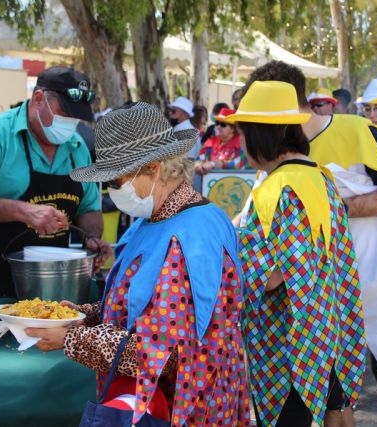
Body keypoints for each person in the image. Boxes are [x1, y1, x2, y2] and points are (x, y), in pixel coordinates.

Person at [27, 102, 250, 426]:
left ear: (153, 168)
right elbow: (139, 308)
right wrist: (82, 316)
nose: (111, 191)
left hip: (184, 410)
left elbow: (161, 353)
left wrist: (71, 339)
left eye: (115, 181)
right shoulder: (153, 220)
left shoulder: (190, 238)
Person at [242, 61, 377, 427]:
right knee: (337, 401)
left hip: (361, 293)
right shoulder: (301, 168)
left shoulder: (349, 134)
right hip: (331, 304)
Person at [230, 80, 365, 427]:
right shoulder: (322, 178)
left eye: (244, 131)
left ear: (261, 134)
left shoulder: (275, 189)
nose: (240, 142)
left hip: (285, 349)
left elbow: (273, 277)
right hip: (325, 334)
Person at [0, 66, 109, 313]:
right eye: (64, 114)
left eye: (76, 118)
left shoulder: (77, 147)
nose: (70, 124)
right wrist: (23, 211)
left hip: (49, 285)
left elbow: (89, 208)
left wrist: (90, 238)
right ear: (39, 98)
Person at [195, 107, 247, 175]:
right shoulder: (211, 142)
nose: (218, 127)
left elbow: (241, 163)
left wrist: (217, 164)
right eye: (217, 123)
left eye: (223, 124)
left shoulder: (241, 143)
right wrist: (199, 165)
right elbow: (199, 159)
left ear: (233, 129)